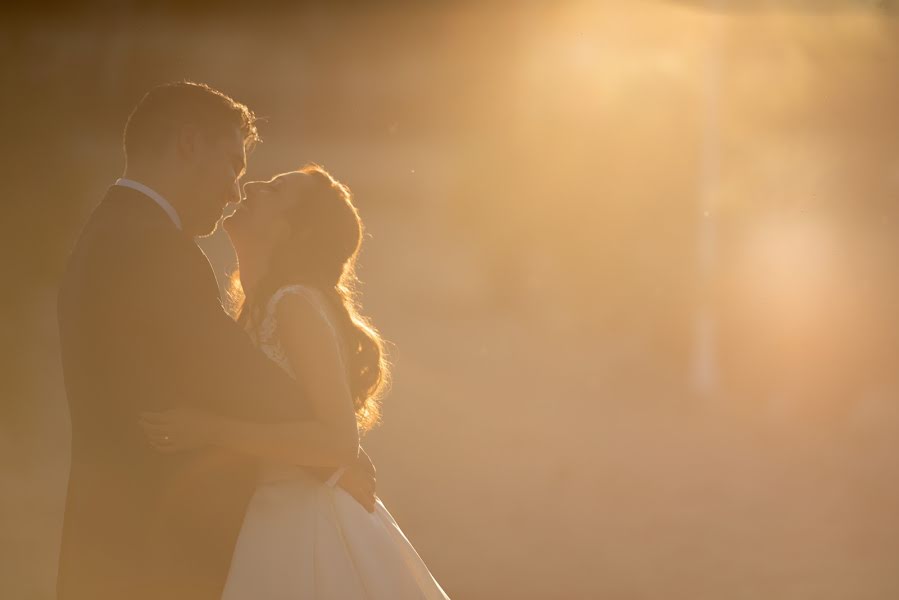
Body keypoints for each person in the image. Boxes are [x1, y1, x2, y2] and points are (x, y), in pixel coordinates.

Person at [56, 81, 376, 600]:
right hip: (146, 558)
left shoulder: (113, 230)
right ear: (187, 145)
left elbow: (220, 373)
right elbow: (236, 377)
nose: (235, 191)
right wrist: (336, 452)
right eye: (233, 165)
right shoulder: (153, 247)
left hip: (118, 550)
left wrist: (332, 446)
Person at [141, 164, 450, 599]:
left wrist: (209, 430)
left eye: (275, 189)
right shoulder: (259, 308)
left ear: (294, 231)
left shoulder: (294, 306)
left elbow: (339, 443)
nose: (252, 185)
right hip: (271, 510)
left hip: (305, 523)